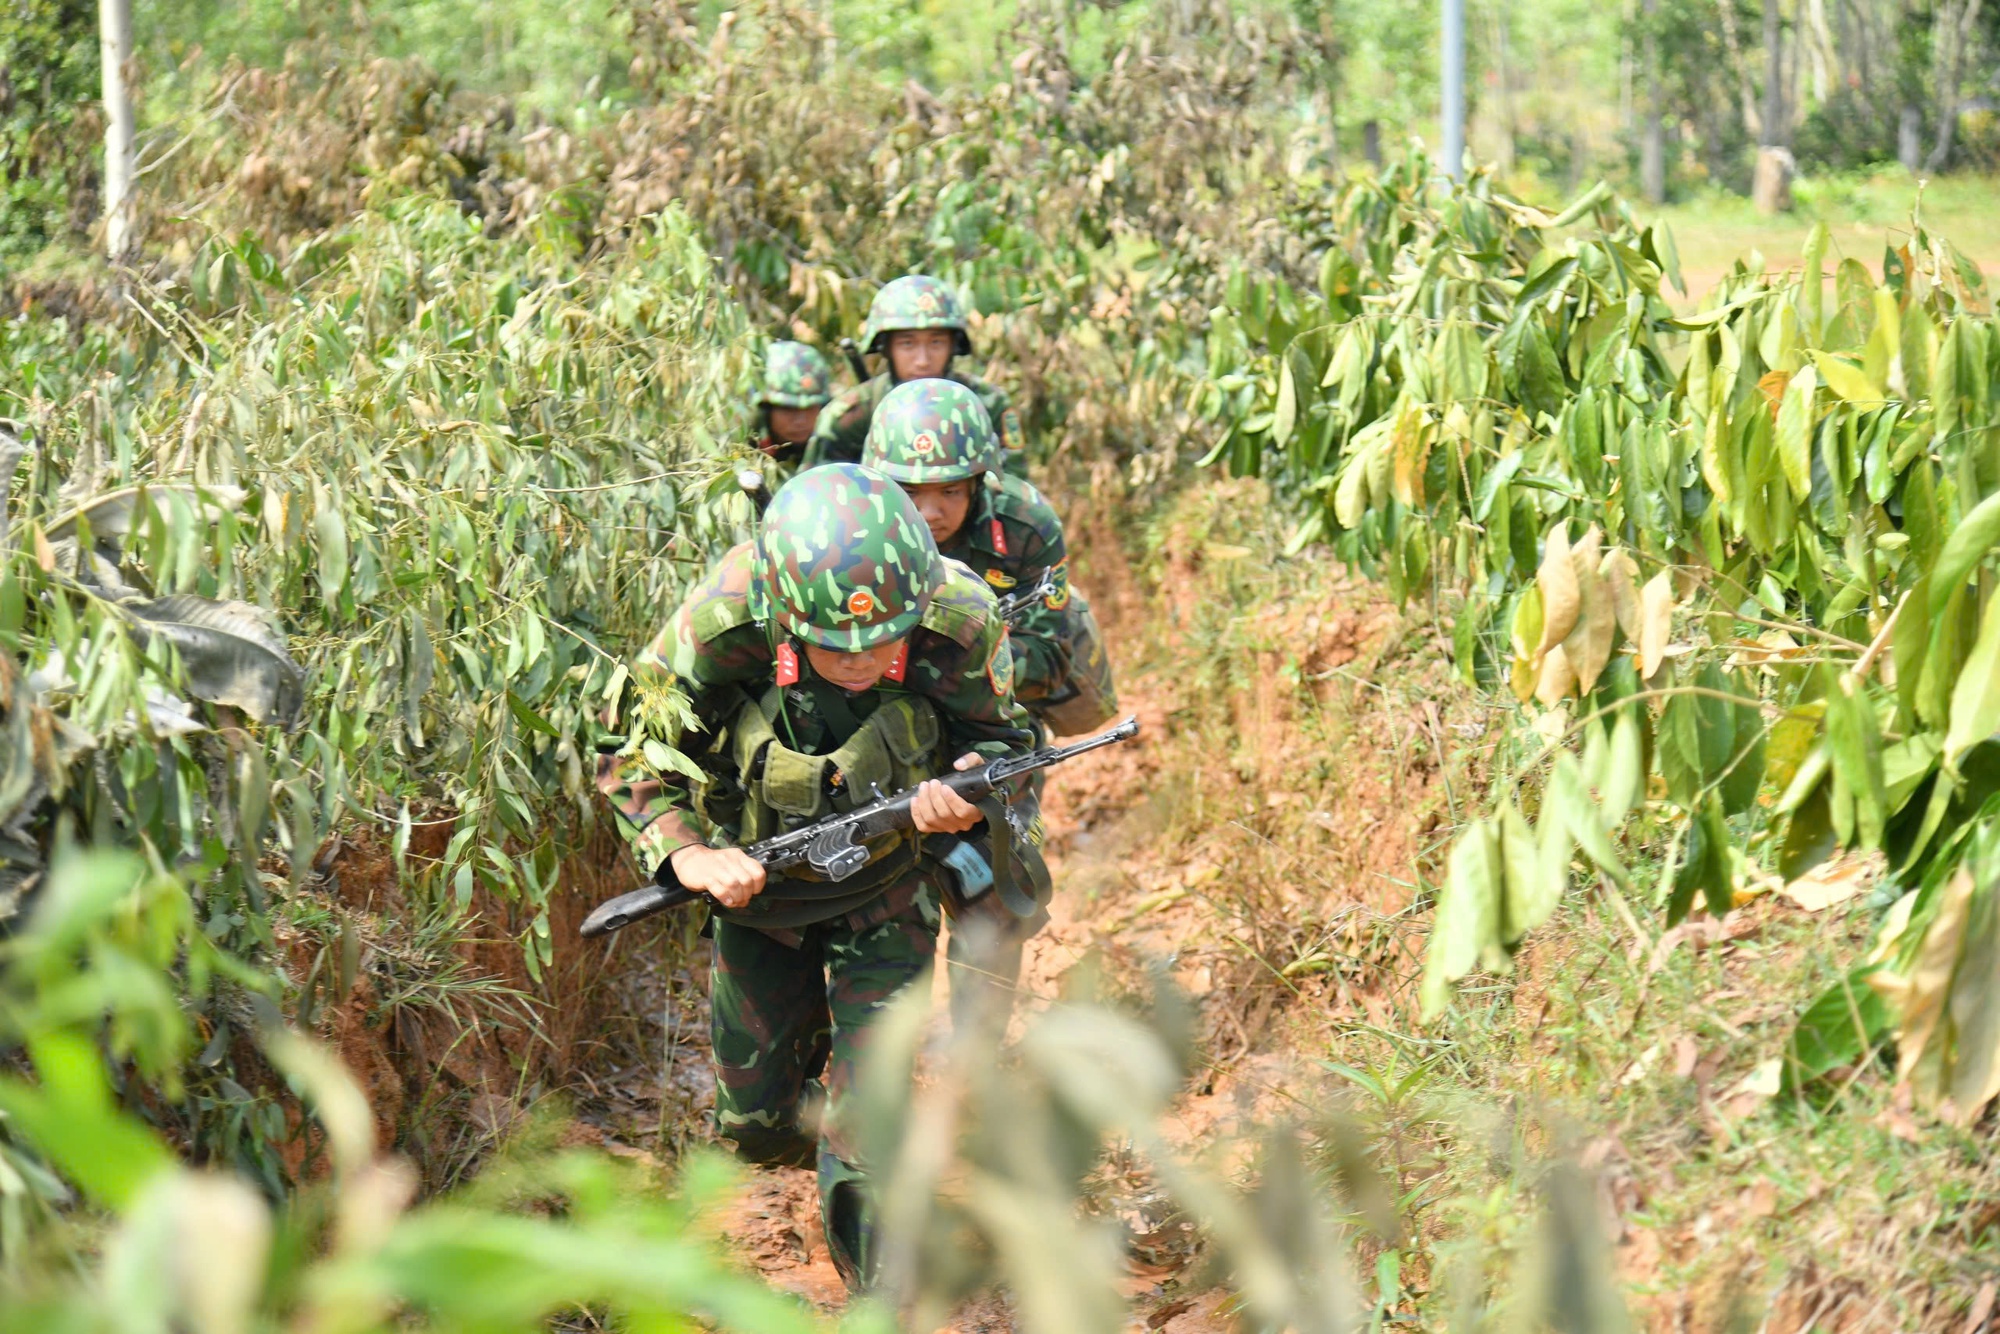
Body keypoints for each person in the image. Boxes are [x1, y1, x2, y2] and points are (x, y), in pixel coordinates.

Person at [595, 463, 1035, 1290]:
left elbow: (1013, 745)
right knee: (758, 1127)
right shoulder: (725, 617)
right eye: (837, 644)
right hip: (760, 892)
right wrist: (689, 852)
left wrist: (971, 791)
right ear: (788, 618)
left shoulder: (958, 618)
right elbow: (623, 749)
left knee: (866, 1129)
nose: (864, 658)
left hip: (890, 886)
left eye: (883, 639)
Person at [859, 378, 1121, 1023]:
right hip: (877, 731)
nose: (931, 511)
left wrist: (969, 659)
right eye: (912, 492)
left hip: (994, 728)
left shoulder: (1022, 526)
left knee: (996, 900)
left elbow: (1052, 651)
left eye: (950, 489)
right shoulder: (854, 526)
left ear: (981, 478)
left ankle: (974, 1065)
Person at [803, 276, 1028, 479]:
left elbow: (1015, 487)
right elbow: (816, 495)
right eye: (907, 343)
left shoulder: (988, 405)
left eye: (936, 342)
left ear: (953, 346)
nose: (922, 360)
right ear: (886, 347)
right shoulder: (849, 415)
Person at [750, 341, 834, 466]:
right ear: (766, 408)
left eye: (810, 407)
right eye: (788, 408)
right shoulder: (742, 449)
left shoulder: (837, 445)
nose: (800, 420)